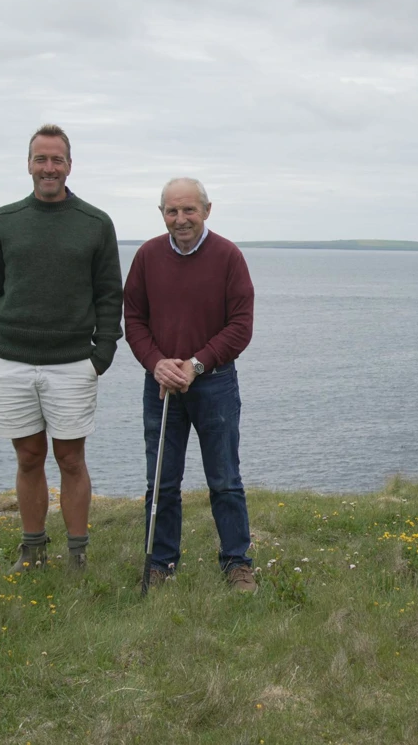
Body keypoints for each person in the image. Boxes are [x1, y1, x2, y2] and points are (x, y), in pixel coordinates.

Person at [0, 124, 123, 573]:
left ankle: (78, 555)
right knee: (28, 457)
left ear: (70, 165)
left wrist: (102, 354)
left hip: (74, 364)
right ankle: (32, 549)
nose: (49, 167)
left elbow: (109, 294)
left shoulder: (95, 223)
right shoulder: (4, 221)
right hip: (10, 360)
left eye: (57, 159)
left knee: (71, 459)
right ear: (29, 164)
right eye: (41, 159)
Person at [124, 177, 257, 592]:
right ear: (161, 213)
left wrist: (196, 364)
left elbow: (240, 326)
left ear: (207, 210)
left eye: (189, 210)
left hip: (214, 384)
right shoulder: (147, 257)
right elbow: (134, 320)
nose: (181, 219)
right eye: (172, 211)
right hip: (161, 386)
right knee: (161, 481)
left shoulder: (228, 257)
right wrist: (157, 363)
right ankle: (160, 563)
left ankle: (237, 563)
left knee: (225, 479)